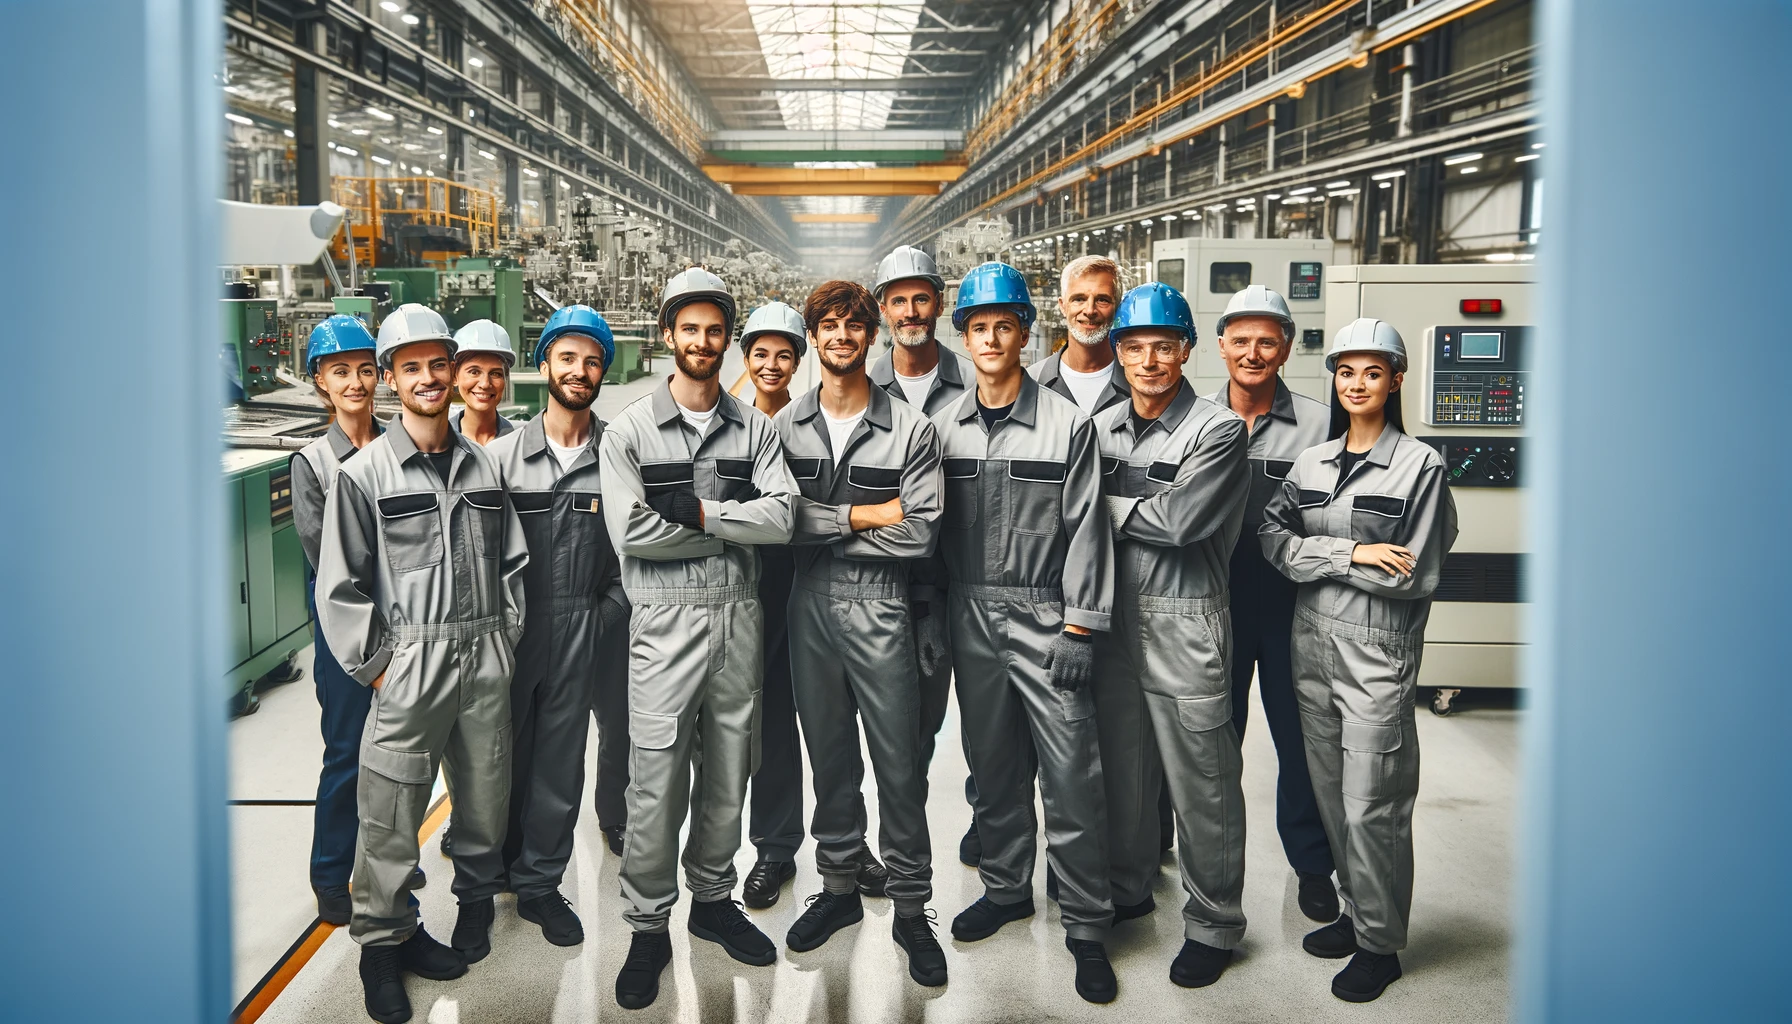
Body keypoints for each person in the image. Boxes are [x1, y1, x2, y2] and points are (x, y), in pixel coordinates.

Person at [314, 303, 528, 1024]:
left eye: (440, 363)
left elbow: (512, 565)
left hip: (484, 657)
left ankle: (471, 904)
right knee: (391, 811)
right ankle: (383, 943)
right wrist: (381, 667)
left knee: (484, 794)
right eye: (413, 368)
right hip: (411, 663)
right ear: (389, 380)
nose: (431, 378)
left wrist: (504, 637)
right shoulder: (364, 474)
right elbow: (339, 586)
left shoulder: (483, 467)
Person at [599, 268, 797, 1010]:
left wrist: (704, 516)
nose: (703, 341)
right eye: (691, 329)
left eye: (715, 330)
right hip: (662, 624)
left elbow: (781, 520)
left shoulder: (758, 429)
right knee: (654, 783)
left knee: (728, 773)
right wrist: (732, 524)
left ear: (727, 340)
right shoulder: (629, 431)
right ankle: (649, 925)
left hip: (739, 619)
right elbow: (631, 532)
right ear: (668, 336)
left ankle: (713, 899)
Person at [931, 262, 1119, 1004]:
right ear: (967, 338)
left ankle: (1085, 924)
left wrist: (1079, 625)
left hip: (1047, 616)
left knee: (1073, 773)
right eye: (979, 327)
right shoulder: (942, 429)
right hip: (969, 615)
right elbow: (927, 532)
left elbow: (1088, 532)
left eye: (1004, 325)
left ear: (1023, 333)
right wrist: (931, 618)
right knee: (994, 763)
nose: (991, 337)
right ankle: (1007, 889)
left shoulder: (1068, 424)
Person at [1260, 318, 1458, 1003]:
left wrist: (1321, 561)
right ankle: (1354, 912)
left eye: (1373, 372)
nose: (1357, 384)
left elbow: (1413, 572)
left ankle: (1381, 944)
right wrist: (1351, 553)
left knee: (1373, 802)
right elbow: (1272, 540)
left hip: (1378, 650)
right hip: (1309, 643)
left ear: (1396, 380)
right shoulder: (1313, 462)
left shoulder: (1419, 467)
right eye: (1346, 372)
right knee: (1329, 793)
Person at [772, 281, 947, 986]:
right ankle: (840, 889)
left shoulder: (912, 429)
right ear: (813, 338)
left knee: (899, 763)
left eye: (853, 325)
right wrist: (867, 517)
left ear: (870, 336)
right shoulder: (783, 427)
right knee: (831, 757)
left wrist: (824, 524)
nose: (841, 336)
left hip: (884, 608)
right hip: (808, 606)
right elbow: (779, 521)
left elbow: (924, 533)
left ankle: (910, 906)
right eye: (828, 325)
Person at [1093, 283, 1251, 988]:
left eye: (1164, 346)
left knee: (1204, 784)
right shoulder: (1099, 426)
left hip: (1187, 620)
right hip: (1112, 617)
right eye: (1134, 347)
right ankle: (1128, 889)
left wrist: (1094, 503)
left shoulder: (1218, 430)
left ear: (1186, 350)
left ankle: (1214, 923)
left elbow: (1181, 523)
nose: (1149, 360)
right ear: (1118, 354)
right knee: (1123, 773)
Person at [476, 305, 625, 957]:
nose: (580, 370)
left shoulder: (621, 456)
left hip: (579, 629)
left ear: (601, 374)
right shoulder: (501, 459)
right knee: (493, 759)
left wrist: (603, 617)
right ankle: (483, 881)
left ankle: (539, 884)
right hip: (509, 630)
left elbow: (634, 556)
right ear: (545, 367)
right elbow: (476, 554)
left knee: (561, 764)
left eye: (592, 361)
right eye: (568, 357)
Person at [1209, 285, 1339, 922]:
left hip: (1294, 609)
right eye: (1241, 340)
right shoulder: (1195, 417)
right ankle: (1195, 859)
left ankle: (1313, 866)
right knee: (1209, 743)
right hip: (1214, 608)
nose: (1253, 352)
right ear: (1221, 344)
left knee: (1303, 742)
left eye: (1267, 340)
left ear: (1286, 346)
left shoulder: (1323, 423)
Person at [290, 315, 408, 926]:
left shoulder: (399, 446)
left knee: (402, 753)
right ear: (321, 383)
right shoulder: (313, 464)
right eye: (342, 372)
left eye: (365, 370)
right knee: (347, 753)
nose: (356, 382)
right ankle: (331, 872)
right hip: (345, 635)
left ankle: (390, 857)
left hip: (409, 624)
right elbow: (327, 560)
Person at [868, 244, 976, 867]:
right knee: (914, 726)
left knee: (992, 718)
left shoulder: (978, 379)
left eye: (921, 298)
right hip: (900, 583)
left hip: (977, 573)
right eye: (898, 300)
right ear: (884, 309)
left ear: (938, 303)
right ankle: (899, 840)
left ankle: (989, 816)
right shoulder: (860, 383)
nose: (911, 311)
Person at [1029, 255, 1129, 415]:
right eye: (1079, 299)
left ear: (1117, 307)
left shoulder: (1137, 383)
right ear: (1062, 306)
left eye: (1102, 300)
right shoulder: (1031, 383)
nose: (1089, 310)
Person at [448, 319, 515, 445]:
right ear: (455, 376)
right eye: (474, 372)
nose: (485, 384)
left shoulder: (518, 443)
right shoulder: (438, 441)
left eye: (495, 374)